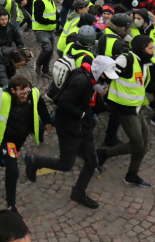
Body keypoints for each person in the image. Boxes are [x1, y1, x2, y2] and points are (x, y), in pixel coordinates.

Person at [25, 56, 118, 209]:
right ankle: (34, 161)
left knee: (91, 161)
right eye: (107, 75)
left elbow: (89, 100)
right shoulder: (82, 80)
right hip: (69, 127)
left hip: (83, 126)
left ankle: (78, 192)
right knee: (65, 164)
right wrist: (82, 114)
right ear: (101, 72)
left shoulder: (91, 79)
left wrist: (104, 106)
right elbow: (62, 101)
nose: (108, 79)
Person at [0, 75, 51, 213]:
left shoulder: (33, 93)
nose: (25, 97)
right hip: (6, 137)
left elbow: (41, 105)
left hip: (20, 137)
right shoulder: (2, 95)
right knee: (13, 169)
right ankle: (11, 205)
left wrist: (47, 120)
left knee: (5, 161)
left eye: (27, 93)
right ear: (13, 90)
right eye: (22, 94)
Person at [97, 36, 155, 187]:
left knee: (144, 143)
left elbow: (145, 85)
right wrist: (102, 89)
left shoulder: (144, 62)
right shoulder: (126, 59)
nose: (153, 51)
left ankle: (132, 175)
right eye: (150, 48)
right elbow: (105, 72)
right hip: (124, 108)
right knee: (137, 144)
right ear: (141, 48)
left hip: (137, 107)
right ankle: (102, 154)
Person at [31, 0, 59, 79]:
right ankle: (38, 64)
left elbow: (53, 12)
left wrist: (58, 17)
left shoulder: (50, 0)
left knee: (50, 51)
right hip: (40, 29)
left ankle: (45, 70)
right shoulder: (39, 0)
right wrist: (52, 22)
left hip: (50, 29)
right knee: (47, 48)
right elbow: (38, 17)